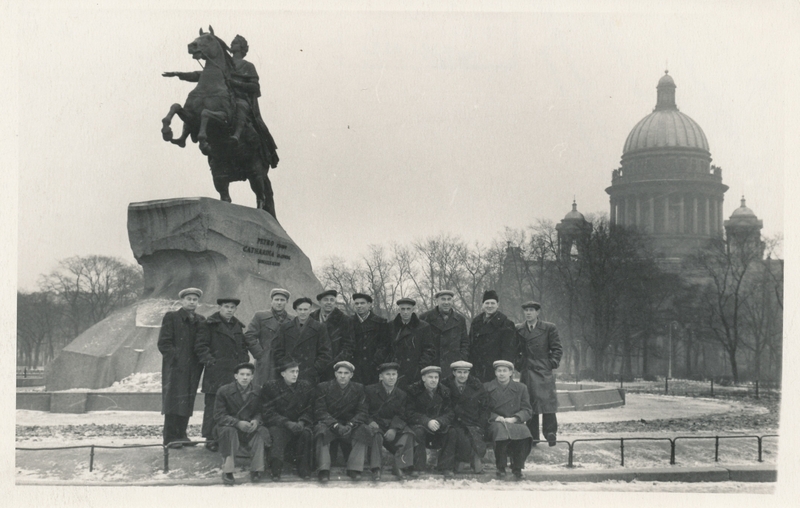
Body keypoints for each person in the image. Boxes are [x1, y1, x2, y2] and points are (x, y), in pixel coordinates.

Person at [195, 297, 264, 451]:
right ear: (220, 307)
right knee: (213, 405)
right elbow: (201, 346)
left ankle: (230, 438)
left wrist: (244, 361)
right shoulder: (209, 324)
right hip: (216, 373)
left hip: (234, 373)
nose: (229, 310)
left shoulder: (237, 326)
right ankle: (211, 438)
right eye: (226, 307)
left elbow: (241, 347)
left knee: (232, 405)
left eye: (232, 307)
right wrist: (211, 362)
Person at [157, 287, 206, 448]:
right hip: (176, 367)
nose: (192, 302)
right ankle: (170, 437)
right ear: (182, 301)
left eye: (194, 299)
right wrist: (176, 359)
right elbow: (164, 343)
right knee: (173, 400)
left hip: (193, 367)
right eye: (189, 299)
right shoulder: (172, 317)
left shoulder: (200, 320)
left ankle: (182, 434)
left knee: (187, 400)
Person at [213, 362, 272, 485]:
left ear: (252, 377)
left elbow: (261, 411)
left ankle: (256, 469)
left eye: (248, 375)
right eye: (242, 374)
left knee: (260, 433)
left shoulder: (258, 391)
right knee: (229, 432)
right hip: (229, 427)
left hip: (249, 427)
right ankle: (228, 471)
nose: (245, 377)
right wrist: (237, 423)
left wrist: (256, 421)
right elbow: (219, 415)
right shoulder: (224, 391)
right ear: (236, 376)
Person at [515, 301, 563, 446]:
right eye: (526, 310)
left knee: (547, 402)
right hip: (527, 370)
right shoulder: (518, 329)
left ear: (537, 312)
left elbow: (557, 349)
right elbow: (514, 349)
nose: (528, 313)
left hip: (543, 370)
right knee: (530, 403)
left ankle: (550, 433)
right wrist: (520, 365)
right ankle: (532, 436)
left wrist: (550, 364)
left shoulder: (549, 328)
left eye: (531, 310)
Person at [313, 361, 370, 482]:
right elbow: (320, 411)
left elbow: (362, 412)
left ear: (351, 375)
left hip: (350, 424)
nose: (343, 376)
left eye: (346, 373)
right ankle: (324, 470)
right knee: (321, 431)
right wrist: (335, 424)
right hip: (330, 424)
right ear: (335, 374)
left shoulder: (359, 389)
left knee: (363, 430)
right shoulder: (323, 387)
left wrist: (350, 424)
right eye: (340, 373)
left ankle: (354, 469)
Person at [228, 34, 279, 169]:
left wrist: (235, 83)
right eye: (232, 42)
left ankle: (237, 135)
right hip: (225, 98)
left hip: (241, 99)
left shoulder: (248, 66)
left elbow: (255, 87)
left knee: (241, 105)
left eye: (235, 43)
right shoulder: (225, 64)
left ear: (242, 48)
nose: (232, 44)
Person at [260, 358, 314, 480]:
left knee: (306, 433)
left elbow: (310, 409)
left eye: (297, 371)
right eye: (292, 372)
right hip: (279, 424)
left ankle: (304, 469)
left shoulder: (305, 386)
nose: (295, 375)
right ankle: (276, 470)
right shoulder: (271, 387)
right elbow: (268, 411)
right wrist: (286, 422)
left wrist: (302, 421)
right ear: (283, 373)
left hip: (299, 423)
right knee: (277, 435)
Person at [364, 362, 416, 480]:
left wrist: (393, 428)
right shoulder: (369, 390)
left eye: (394, 374)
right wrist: (370, 421)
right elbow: (363, 410)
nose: (391, 377)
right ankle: (376, 468)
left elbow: (402, 415)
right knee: (375, 434)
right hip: (376, 424)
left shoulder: (401, 394)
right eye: (388, 374)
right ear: (381, 377)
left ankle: (399, 466)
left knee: (408, 434)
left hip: (391, 425)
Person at [484, 360, 533, 479]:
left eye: (505, 371)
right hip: (495, 422)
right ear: (495, 373)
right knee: (501, 432)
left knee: (524, 433)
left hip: (514, 420)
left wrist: (516, 418)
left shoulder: (521, 388)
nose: (501, 374)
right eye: (499, 371)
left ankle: (517, 467)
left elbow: (527, 410)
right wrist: (495, 417)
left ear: (511, 373)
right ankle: (501, 467)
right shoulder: (487, 387)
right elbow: (482, 409)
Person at [405, 366, 456, 478]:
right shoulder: (413, 391)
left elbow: (450, 413)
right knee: (417, 432)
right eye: (430, 377)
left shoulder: (445, 391)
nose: (434, 380)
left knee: (452, 432)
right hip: (421, 425)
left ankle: (446, 467)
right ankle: (418, 467)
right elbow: (410, 413)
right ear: (423, 378)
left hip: (438, 426)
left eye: (436, 377)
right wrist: (427, 421)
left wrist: (439, 421)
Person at [441, 360, 489, 474]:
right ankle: (455, 464)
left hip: (472, 422)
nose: (462, 375)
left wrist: (480, 424)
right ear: (454, 373)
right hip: (452, 422)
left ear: (468, 373)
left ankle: (464, 463)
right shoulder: (445, 386)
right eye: (459, 372)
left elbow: (485, 407)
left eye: (465, 372)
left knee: (473, 437)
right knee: (457, 435)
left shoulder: (477, 386)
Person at [378, 298, 436, 390]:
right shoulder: (390, 326)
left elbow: (429, 350)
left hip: (415, 371)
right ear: (398, 310)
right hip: (395, 371)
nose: (405, 312)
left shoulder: (423, 327)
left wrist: (420, 368)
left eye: (408, 309)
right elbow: (383, 348)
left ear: (413, 310)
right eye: (402, 309)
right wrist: (388, 367)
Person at [273, 297, 333, 385]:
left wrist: (314, 369)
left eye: (305, 309)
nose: (303, 312)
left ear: (310, 310)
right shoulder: (285, 327)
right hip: (289, 373)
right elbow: (278, 351)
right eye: (300, 309)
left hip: (309, 374)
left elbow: (326, 353)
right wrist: (285, 367)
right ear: (296, 310)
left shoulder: (319, 327)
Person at [245, 288, 292, 388]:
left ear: (287, 302)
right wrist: (260, 354)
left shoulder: (292, 319)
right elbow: (249, 336)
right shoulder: (260, 316)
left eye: (282, 300)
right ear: (271, 301)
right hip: (266, 362)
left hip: (285, 361)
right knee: (262, 391)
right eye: (276, 299)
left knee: (283, 391)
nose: (279, 303)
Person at [468, 290, 517, 383]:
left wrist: (503, 370)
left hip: (495, 370)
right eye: (487, 303)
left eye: (492, 303)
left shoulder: (506, 323)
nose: (489, 306)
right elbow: (470, 344)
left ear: (497, 305)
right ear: (483, 304)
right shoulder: (476, 322)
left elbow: (509, 351)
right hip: (476, 369)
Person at [419, 290, 469, 379]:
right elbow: (421, 343)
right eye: (443, 299)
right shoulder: (425, 317)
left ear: (452, 301)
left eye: (449, 299)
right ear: (437, 301)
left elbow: (464, 342)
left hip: (453, 365)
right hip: (433, 365)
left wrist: (461, 360)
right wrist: (425, 362)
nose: (446, 302)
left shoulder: (460, 319)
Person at [310, 289, 354, 382]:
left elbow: (348, 346)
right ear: (320, 302)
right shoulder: (311, 318)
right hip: (313, 365)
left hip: (334, 367)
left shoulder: (344, 320)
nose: (329, 303)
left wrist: (335, 363)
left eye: (332, 300)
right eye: (326, 300)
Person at [349, 293, 388, 385]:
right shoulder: (348, 322)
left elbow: (384, 345)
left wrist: (375, 362)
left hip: (373, 367)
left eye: (362, 303)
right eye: (357, 303)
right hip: (354, 366)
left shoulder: (380, 322)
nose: (359, 306)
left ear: (369, 304)